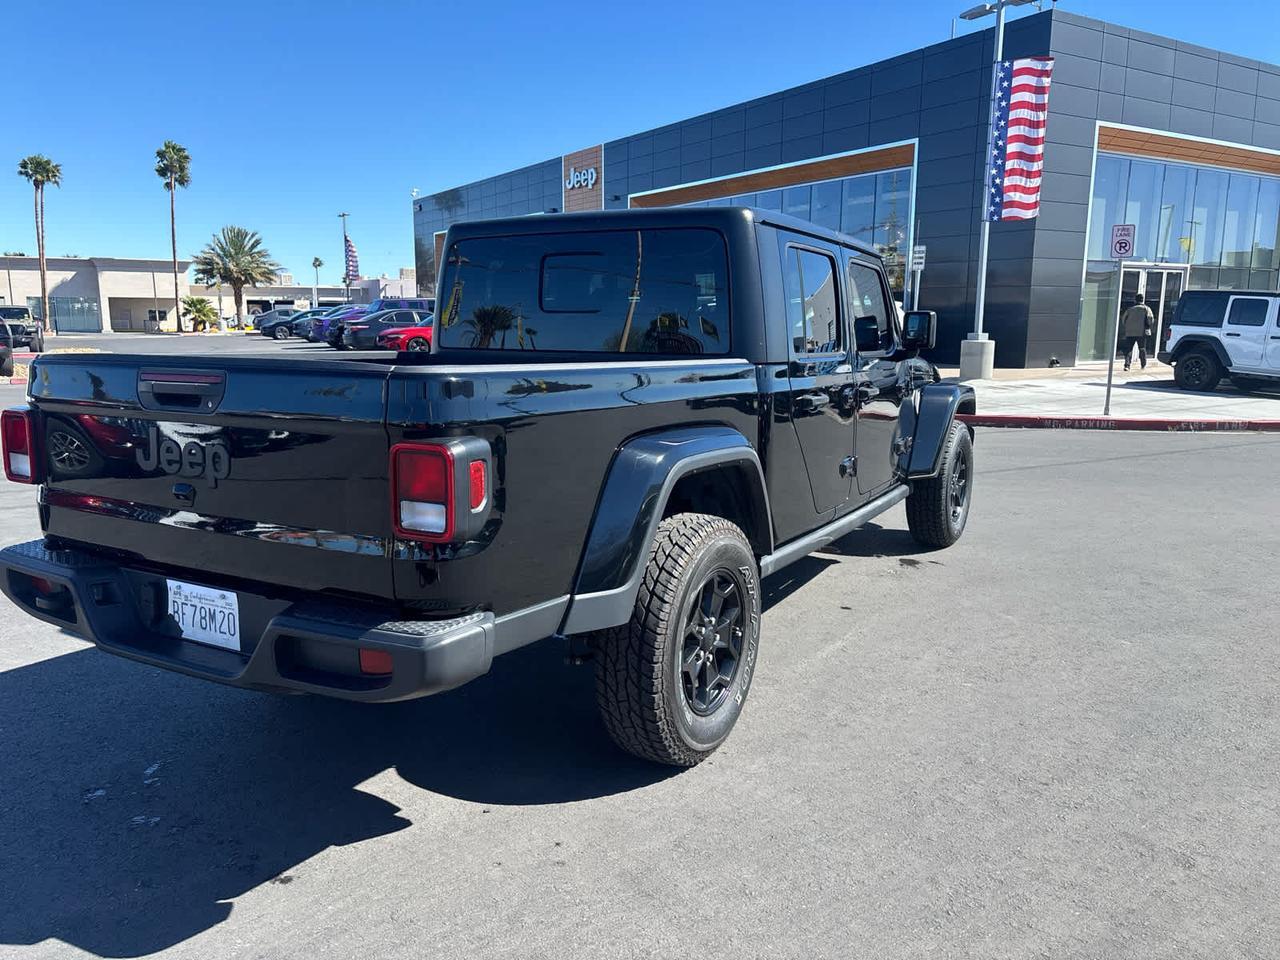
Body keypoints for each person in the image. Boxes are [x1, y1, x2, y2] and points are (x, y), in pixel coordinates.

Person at [1120, 294, 1155, 371]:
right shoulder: (1146, 309)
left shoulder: (1130, 309)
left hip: (1130, 332)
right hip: (1141, 332)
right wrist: (1148, 325)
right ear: (1143, 300)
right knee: (1142, 348)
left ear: (1135, 300)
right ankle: (1143, 365)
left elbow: (1123, 319)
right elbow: (1150, 319)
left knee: (1129, 349)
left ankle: (1127, 365)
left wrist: (1127, 326)